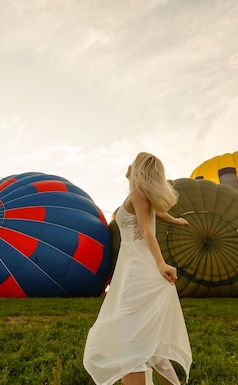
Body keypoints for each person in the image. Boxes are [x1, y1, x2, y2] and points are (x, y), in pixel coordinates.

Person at [84, 152, 192, 385]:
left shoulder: (138, 194)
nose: (129, 165)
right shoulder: (141, 195)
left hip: (137, 269)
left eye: (134, 162)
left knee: (129, 332)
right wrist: (174, 221)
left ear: (139, 169)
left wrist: (161, 264)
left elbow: (146, 231)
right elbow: (156, 214)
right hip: (135, 266)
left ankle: (135, 374)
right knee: (144, 336)